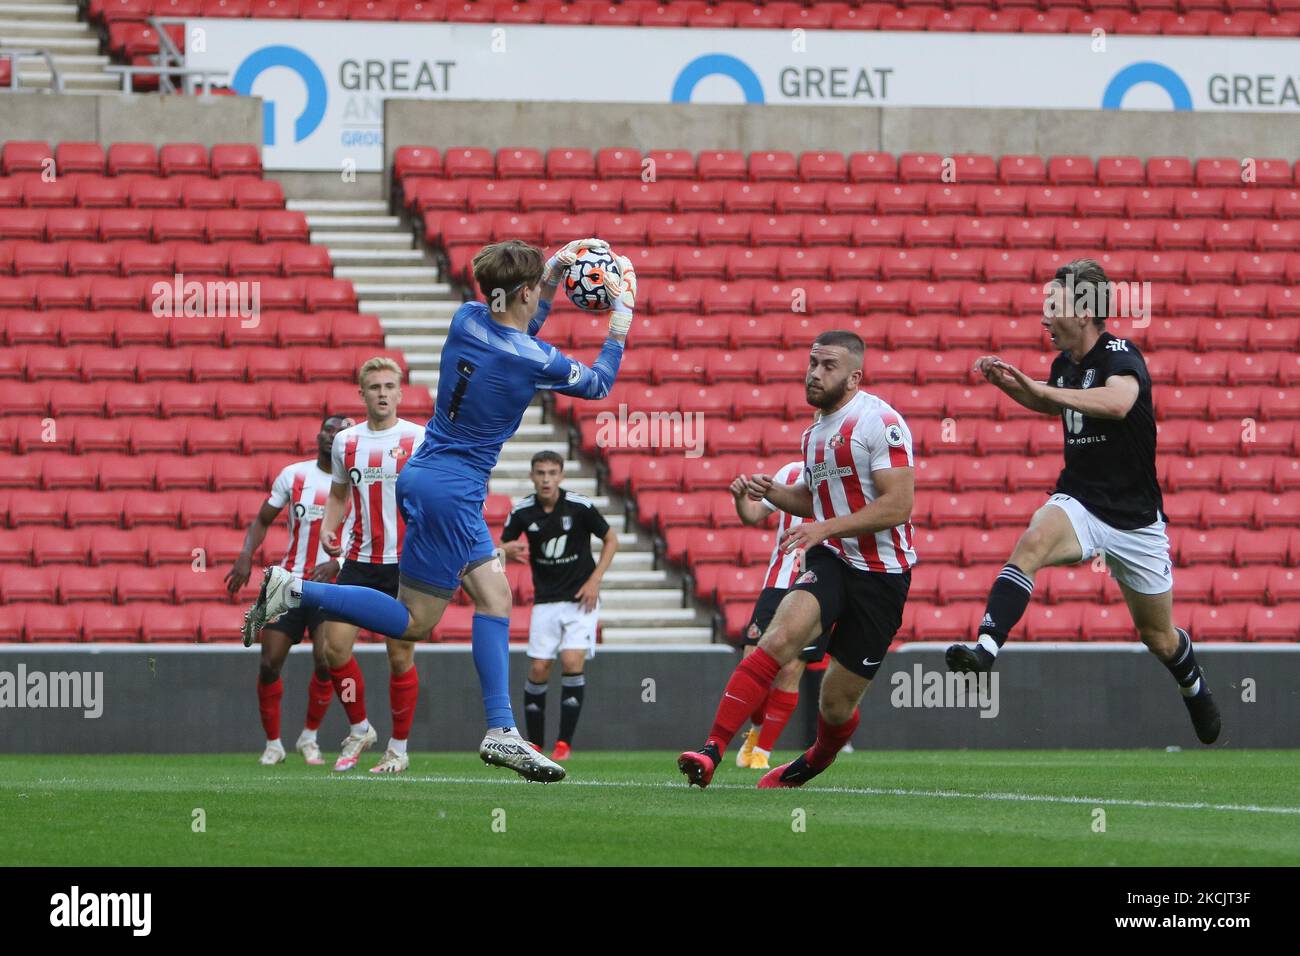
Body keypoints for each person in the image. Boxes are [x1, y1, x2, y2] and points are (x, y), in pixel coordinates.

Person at [243, 237, 636, 783]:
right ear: (522, 293)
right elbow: (598, 383)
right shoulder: (527, 356)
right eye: (534, 292)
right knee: (415, 621)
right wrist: (622, 315)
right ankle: (295, 590)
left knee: (495, 596)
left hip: (429, 474)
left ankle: (502, 730)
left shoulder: (468, 318)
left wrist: (549, 276)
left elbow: (522, 328)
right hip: (453, 490)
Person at [945, 258, 1220, 744]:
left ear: (1087, 310)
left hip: (1135, 521)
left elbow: (1116, 404)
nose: (1045, 317)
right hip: (1081, 501)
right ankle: (985, 648)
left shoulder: (1120, 356)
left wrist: (1040, 388)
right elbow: (1054, 402)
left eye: (1055, 305)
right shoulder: (1063, 366)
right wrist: (1017, 389)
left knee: (1157, 637)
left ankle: (1192, 682)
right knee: (1031, 543)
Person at [677, 330, 917, 789]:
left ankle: (812, 762)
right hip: (832, 560)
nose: (814, 373)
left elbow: (898, 505)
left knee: (836, 706)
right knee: (777, 640)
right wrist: (773, 494)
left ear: (854, 377)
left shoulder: (879, 421)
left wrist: (823, 527)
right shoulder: (814, 433)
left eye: (828, 366)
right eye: (812, 363)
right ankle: (710, 752)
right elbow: (813, 500)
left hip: (883, 577)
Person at [315, 357, 426, 774]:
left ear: (401, 392)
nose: (382, 393)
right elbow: (339, 495)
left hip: (405, 565)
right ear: (361, 393)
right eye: (374, 386)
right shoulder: (346, 442)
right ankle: (360, 727)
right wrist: (330, 528)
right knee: (333, 650)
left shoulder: (420, 438)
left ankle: (398, 747)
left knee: (399, 656)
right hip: (359, 562)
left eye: (389, 386)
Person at [226, 413, 354, 766]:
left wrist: (340, 564)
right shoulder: (294, 475)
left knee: (327, 661)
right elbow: (262, 520)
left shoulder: (357, 482)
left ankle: (309, 737)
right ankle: (272, 743)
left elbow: (368, 532)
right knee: (269, 663)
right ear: (318, 436)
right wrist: (244, 555)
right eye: (328, 430)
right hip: (287, 580)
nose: (332, 436)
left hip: (331, 583)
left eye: (341, 432)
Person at [502, 450, 619, 761]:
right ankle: (536, 744)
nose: (546, 479)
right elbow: (502, 545)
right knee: (539, 667)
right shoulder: (523, 510)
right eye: (540, 473)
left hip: (580, 598)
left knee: (571, 661)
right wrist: (505, 550)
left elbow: (611, 539)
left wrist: (595, 580)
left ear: (561, 476)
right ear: (532, 476)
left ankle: (564, 744)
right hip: (546, 600)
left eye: (552, 473)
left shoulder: (579, 506)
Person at [729, 454, 830, 771]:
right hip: (777, 585)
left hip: (817, 586)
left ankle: (763, 753)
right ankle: (755, 730)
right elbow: (752, 516)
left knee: (790, 671)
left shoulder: (847, 475)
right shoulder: (790, 471)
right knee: (752, 666)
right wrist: (739, 500)